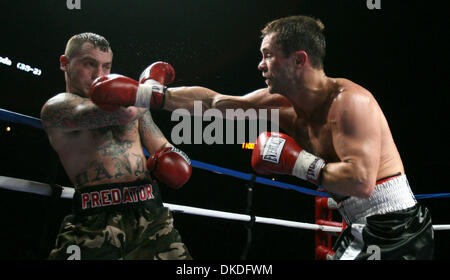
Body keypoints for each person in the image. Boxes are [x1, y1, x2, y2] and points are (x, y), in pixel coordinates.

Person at [92, 15, 435, 260]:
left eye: (268, 55)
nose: (260, 65)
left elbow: (360, 182)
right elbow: (215, 103)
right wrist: (152, 96)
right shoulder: (282, 105)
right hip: (363, 224)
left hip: (394, 227)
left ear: (299, 60)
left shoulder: (349, 103)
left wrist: (297, 162)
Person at [40, 32, 192, 260]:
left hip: (152, 216)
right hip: (95, 222)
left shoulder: (134, 102)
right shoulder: (58, 107)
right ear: (65, 63)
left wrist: (173, 158)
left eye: (106, 66)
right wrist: (150, 83)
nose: (99, 75)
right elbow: (122, 115)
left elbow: (162, 145)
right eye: (90, 64)